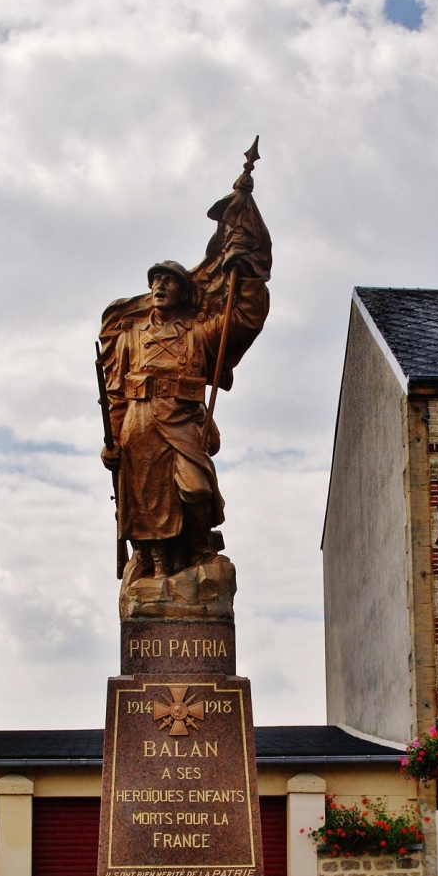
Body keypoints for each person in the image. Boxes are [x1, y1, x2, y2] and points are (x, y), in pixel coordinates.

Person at [98, 143, 272, 580]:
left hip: (181, 421)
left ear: (182, 290)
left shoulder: (198, 331)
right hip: (138, 423)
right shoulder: (129, 337)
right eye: (155, 280)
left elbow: (244, 320)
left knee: (195, 490)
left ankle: (197, 549)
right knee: (142, 502)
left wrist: (244, 270)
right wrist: (113, 439)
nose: (159, 286)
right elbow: (114, 392)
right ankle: (156, 567)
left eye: (168, 281)